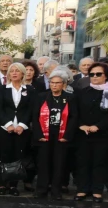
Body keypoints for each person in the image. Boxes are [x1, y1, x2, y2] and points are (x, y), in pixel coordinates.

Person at [74, 61, 108, 202]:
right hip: (83, 133)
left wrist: (98, 126)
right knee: (82, 162)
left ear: (106, 76)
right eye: (91, 74)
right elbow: (76, 111)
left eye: (98, 74)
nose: (94, 77)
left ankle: (97, 190)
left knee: (99, 162)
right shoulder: (83, 91)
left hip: (102, 133)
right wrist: (81, 125)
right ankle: (82, 189)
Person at [31, 68, 76, 199]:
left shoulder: (70, 98)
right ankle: (41, 189)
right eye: (52, 82)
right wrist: (39, 134)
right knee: (43, 163)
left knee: (59, 164)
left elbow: (74, 117)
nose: (54, 85)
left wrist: (67, 135)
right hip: (44, 135)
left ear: (63, 84)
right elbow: (35, 116)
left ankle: (56, 191)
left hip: (61, 135)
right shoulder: (41, 97)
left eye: (57, 83)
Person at [0, 61, 33, 196]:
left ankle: (13, 186)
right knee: (4, 157)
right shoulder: (2, 89)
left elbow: (30, 109)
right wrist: (8, 124)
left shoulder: (29, 90)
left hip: (22, 129)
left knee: (18, 157)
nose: (14, 73)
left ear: (23, 73)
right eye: (12, 71)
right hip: (5, 129)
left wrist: (22, 125)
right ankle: (2, 184)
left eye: (17, 71)